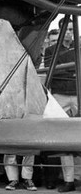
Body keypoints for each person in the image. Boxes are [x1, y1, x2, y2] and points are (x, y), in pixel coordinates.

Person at [43, 19, 79, 192]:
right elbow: (51, 69)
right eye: (69, 29)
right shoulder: (51, 50)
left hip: (77, 93)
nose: (71, 33)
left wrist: (63, 70)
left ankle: (74, 179)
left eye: (73, 29)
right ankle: (69, 181)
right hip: (60, 95)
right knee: (62, 139)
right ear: (62, 30)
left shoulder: (79, 47)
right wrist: (71, 71)